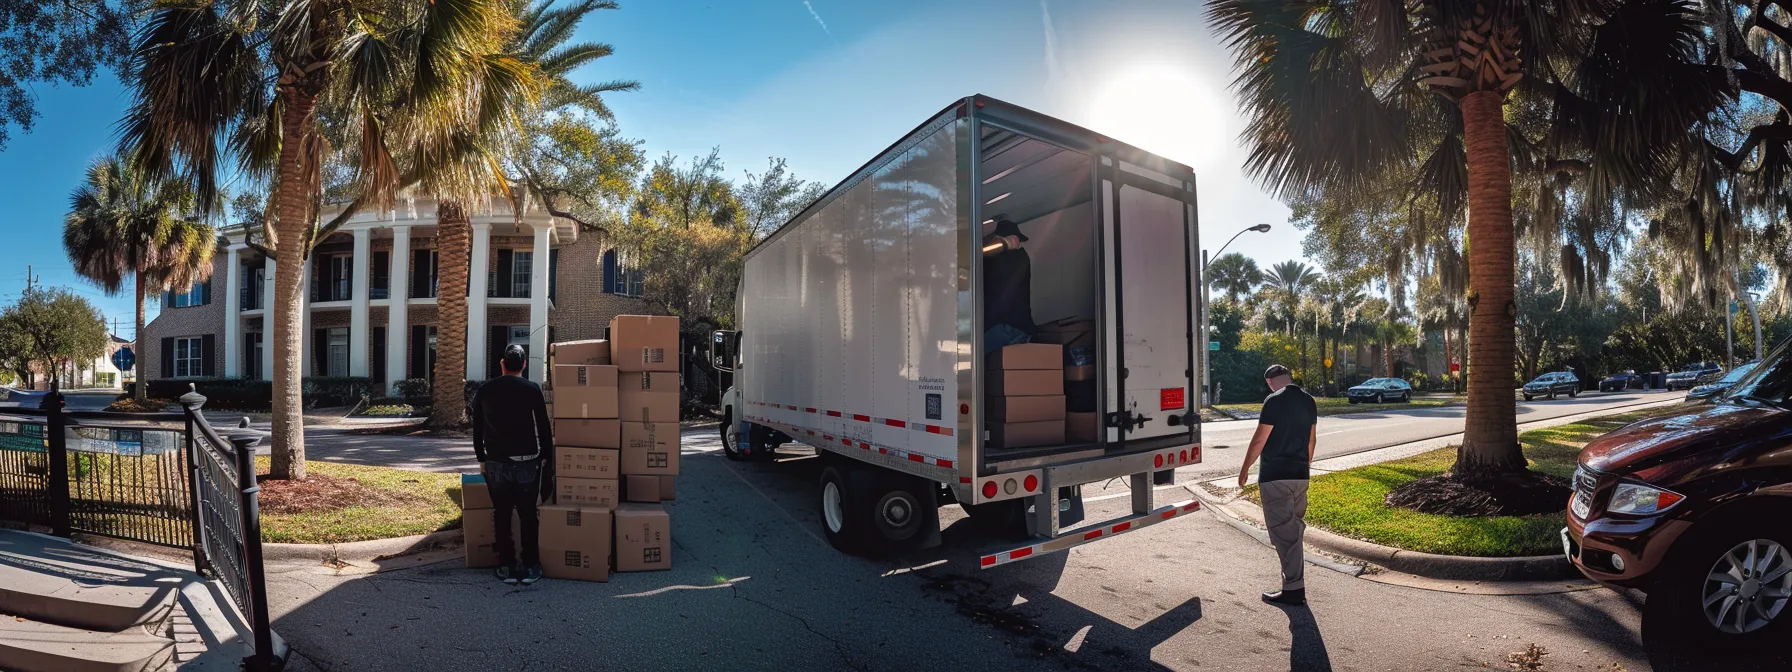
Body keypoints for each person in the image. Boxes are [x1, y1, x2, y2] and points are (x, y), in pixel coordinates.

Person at [471, 345, 555, 585]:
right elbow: (543, 426)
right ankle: (531, 565)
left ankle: (506, 565)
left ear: (502, 364)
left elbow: (477, 427)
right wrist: (546, 456)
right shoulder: (531, 389)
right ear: (524, 365)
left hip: (496, 462)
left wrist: (481, 457)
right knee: (528, 515)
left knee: (502, 514)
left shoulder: (486, 390)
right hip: (527, 462)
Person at [1237, 364, 1317, 606]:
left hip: (1276, 476)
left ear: (1270, 383)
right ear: (1289, 378)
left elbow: (1260, 438)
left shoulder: (1273, 401)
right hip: (1300, 475)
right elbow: (1311, 440)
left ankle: (1293, 590)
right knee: (1293, 532)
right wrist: (1305, 465)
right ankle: (1294, 586)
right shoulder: (1308, 400)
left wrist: (1244, 469)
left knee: (1284, 535)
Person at [982, 218, 1036, 352]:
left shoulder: (1004, 258)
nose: (1018, 244)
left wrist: (1003, 243)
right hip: (1020, 327)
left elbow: (980, 255)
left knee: (969, 357)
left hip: (1003, 326)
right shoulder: (1021, 258)